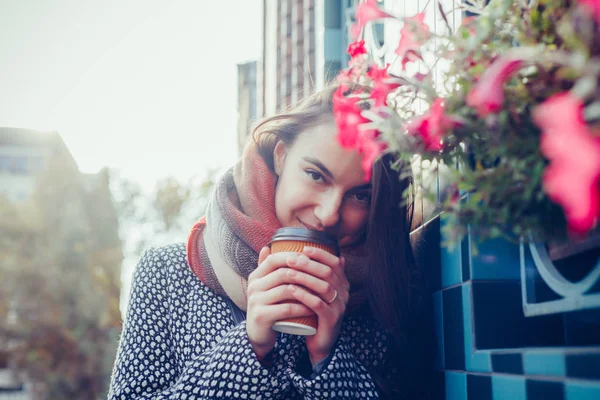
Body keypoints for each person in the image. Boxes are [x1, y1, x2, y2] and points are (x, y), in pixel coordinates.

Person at [108, 83, 433, 399]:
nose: (330, 213)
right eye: (316, 176)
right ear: (280, 156)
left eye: (360, 196)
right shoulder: (165, 273)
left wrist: (328, 359)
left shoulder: (385, 287)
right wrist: (249, 348)